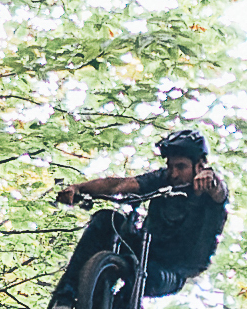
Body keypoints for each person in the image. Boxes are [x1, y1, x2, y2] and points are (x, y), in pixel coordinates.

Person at [58, 126, 230, 296]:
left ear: (199, 166)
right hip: (144, 251)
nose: (174, 173)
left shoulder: (210, 192)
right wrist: (78, 188)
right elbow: (120, 185)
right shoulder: (163, 179)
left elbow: (219, 191)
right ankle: (67, 293)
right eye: (170, 166)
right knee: (105, 220)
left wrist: (211, 179)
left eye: (181, 166)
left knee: (138, 287)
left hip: (175, 268)